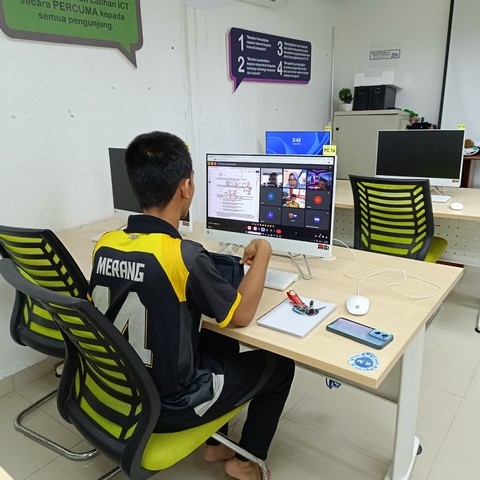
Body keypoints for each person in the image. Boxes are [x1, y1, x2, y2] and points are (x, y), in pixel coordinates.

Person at [89, 131, 295, 480]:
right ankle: (247, 464)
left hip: (121, 390)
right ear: (186, 187)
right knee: (281, 367)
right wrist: (264, 252)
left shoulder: (105, 244)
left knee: (217, 339)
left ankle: (216, 443)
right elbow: (242, 314)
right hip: (167, 407)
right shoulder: (184, 256)